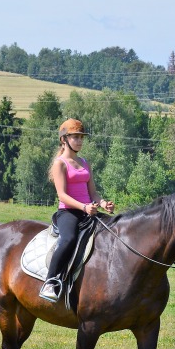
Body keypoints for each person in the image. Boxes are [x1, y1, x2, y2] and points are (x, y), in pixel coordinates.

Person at [39, 118, 115, 303]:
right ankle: (51, 281)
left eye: (81, 137)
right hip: (68, 213)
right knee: (68, 239)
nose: (80, 141)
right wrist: (84, 206)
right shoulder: (60, 164)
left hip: (88, 211)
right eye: (75, 137)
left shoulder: (84, 162)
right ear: (64, 139)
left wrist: (103, 203)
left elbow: (93, 193)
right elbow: (62, 195)